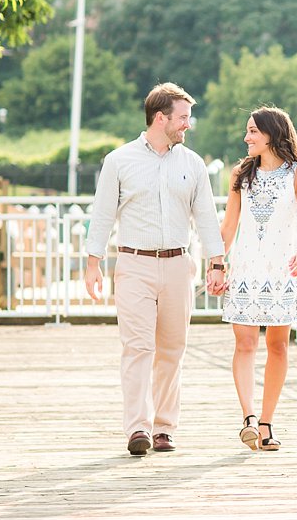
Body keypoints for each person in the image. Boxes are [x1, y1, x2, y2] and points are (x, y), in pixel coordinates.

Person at [84, 83, 227, 456]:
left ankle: (164, 427)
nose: (187, 126)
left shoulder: (193, 164)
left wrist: (217, 262)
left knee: (172, 349)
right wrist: (92, 263)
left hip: (179, 265)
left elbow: (207, 219)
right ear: (160, 118)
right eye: (183, 118)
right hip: (133, 264)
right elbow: (102, 215)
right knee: (137, 347)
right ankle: (137, 428)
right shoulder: (119, 161)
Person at [214, 107, 297, 451]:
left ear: (272, 133)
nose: (247, 138)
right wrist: (216, 264)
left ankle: (268, 422)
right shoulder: (241, 174)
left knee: (278, 345)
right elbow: (228, 227)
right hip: (245, 269)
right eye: (247, 131)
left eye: (253, 131)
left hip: (281, 270)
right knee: (244, 344)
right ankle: (249, 418)